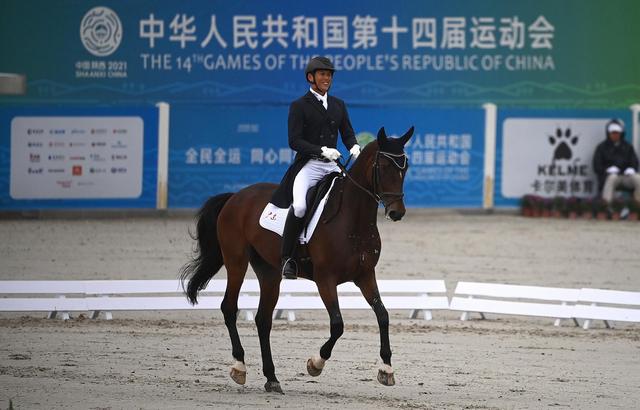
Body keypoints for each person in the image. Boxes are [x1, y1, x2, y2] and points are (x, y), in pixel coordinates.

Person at [270, 56, 361, 279]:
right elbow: (295, 141)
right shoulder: (299, 106)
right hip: (309, 165)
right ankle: (288, 259)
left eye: (329, 74)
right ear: (311, 77)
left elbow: (347, 132)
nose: (326, 78)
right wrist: (321, 150)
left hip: (332, 165)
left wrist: (354, 146)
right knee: (300, 207)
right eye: (322, 74)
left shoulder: (338, 104)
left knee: (351, 197)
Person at [592, 119, 640, 206]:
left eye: (617, 133)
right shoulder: (601, 147)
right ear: (608, 134)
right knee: (612, 178)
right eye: (613, 133)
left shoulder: (628, 146)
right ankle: (607, 206)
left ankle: (637, 206)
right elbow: (596, 166)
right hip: (610, 177)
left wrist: (631, 169)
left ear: (621, 133)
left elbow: (634, 161)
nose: (615, 135)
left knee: (638, 178)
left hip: (626, 177)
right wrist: (607, 170)